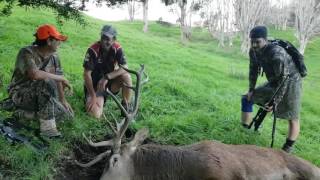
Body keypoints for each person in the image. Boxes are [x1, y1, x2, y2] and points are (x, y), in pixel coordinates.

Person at [241, 26, 302, 153]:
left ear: (265, 40)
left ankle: (287, 149)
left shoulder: (276, 54)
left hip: (291, 82)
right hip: (275, 80)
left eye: (257, 42)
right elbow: (253, 70)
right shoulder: (253, 51)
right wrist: (251, 89)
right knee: (247, 98)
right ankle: (245, 130)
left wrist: (275, 101)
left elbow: (283, 80)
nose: (254, 45)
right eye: (252, 41)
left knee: (292, 117)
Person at [8, 24, 74, 138]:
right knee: (45, 81)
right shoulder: (26, 52)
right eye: (57, 39)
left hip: (42, 95)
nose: (60, 42)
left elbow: (58, 77)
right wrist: (62, 78)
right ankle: (48, 130)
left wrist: (63, 100)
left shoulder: (55, 56)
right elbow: (35, 74)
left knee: (67, 116)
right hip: (20, 93)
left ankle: (24, 114)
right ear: (49, 41)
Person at [83, 25, 132, 118]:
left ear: (114, 40)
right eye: (103, 38)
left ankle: (126, 107)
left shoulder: (117, 49)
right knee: (95, 114)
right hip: (95, 88)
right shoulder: (93, 50)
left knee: (127, 76)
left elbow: (125, 66)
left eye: (108, 39)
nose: (105, 41)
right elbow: (86, 74)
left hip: (108, 85)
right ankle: (93, 98)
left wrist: (106, 77)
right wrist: (93, 96)